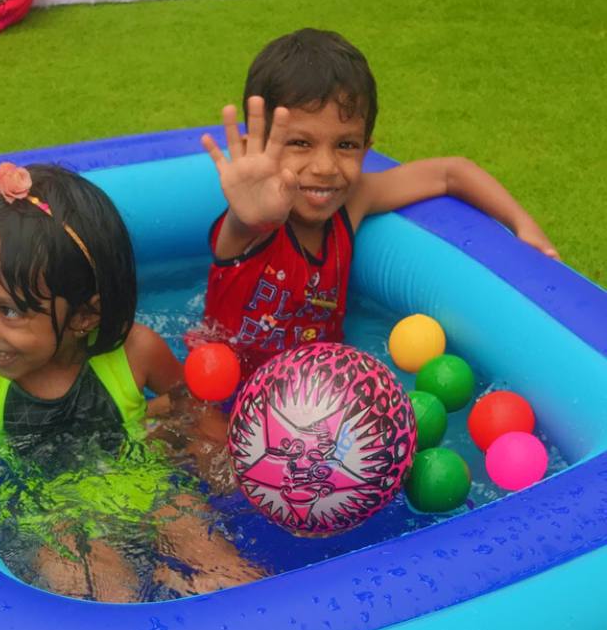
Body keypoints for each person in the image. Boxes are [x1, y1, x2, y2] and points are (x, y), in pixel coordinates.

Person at [0, 161, 258, 600]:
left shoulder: (136, 352)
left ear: (84, 315)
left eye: (8, 310)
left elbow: (191, 406)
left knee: (231, 576)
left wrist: (219, 460)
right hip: (52, 516)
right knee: (104, 598)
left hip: (145, 486)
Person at [201, 28, 558, 380]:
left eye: (346, 146)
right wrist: (248, 220)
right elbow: (241, 226)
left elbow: (451, 173)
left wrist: (521, 223)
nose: (325, 168)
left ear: (366, 147)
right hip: (225, 394)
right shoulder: (249, 228)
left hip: (317, 390)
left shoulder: (351, 205)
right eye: (300, 143)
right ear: (259, 149)